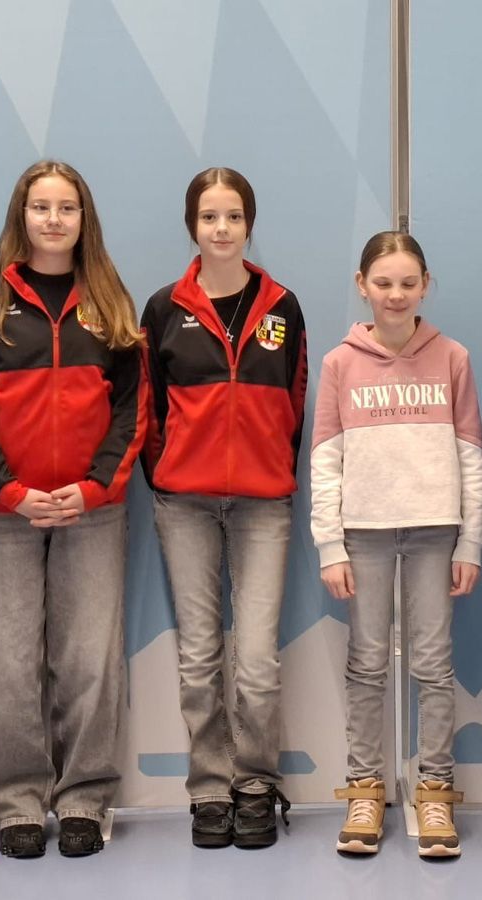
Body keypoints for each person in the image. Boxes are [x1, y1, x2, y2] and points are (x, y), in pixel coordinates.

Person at [0, 160, 146, 860]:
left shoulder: (110, 302)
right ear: (21, 216)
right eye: (41, 207)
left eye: (67, 208)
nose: (54, 219)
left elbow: (132, 409)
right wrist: (10, 490)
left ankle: (86, 799)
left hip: (92, 510)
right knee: (7, 663)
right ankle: (16, 803)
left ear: (83, 218)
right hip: (4, 513)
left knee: (88, 659)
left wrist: (92, 487)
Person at [139, 167, 307, 850]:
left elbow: (293, 402)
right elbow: (148, 406)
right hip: (184, 503)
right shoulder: (162, 308)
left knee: (257, 660)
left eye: (233, 216)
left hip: (263, 506)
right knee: (200, 655)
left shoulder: (282, 307)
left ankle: (255, 786)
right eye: (209, 217)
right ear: (192, 226)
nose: (221, 229)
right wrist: (167, 471)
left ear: (248, 224)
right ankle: (210, 789)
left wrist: (268, 467)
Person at [311, 232, 482, 858]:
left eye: (408, 283)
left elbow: (471, 456)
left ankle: (434, 792)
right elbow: (326, 460)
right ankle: (365, 786)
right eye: (383, 282)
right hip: (364, 534)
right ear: (363, 285)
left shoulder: (453, 359)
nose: (395, 294)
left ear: (425, 285)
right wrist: (330, 545)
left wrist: (471, 542)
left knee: (433, 664)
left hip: (436, 531)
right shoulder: (340, 364)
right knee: (367, 661)